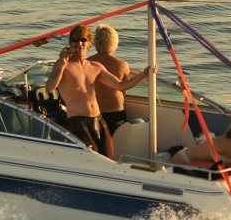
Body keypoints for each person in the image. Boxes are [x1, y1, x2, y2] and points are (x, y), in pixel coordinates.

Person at [45, 25, 155, 159]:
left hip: (98, 119)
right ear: (69, 43)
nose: (79, 43)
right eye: (74, 40)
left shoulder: (95, 66)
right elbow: (50, 88)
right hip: (78, 121)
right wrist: (62, 62)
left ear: (89, 43)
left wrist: (143, 75)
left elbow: (120, 86)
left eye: (83, 40)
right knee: (91, 160)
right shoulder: (63, 65)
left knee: (109, 157)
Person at [87, 24, 131, 134]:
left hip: (96, 114)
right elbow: (124, 90)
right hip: (117, 113)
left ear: (97, 44)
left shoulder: (87, 64)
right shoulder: (122, 65)